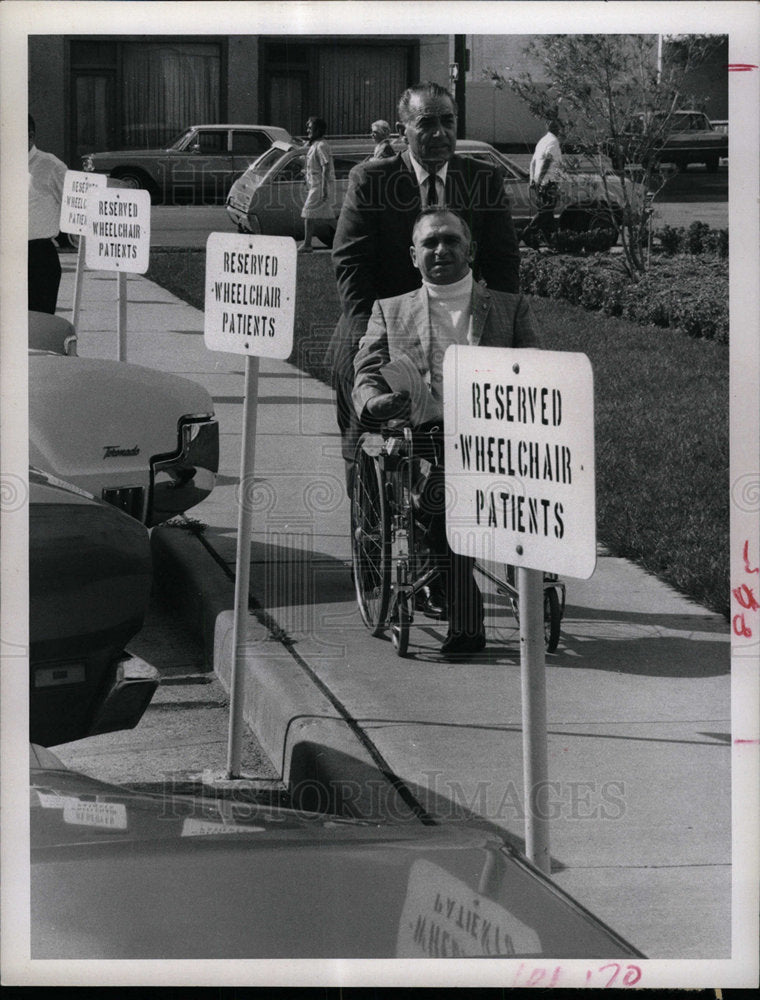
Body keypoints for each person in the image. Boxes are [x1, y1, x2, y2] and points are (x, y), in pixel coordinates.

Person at [352, 207, 540, 658]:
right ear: (413, 255)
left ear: (469, 249)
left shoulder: (510, 307)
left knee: (450, 494)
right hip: (425, 439)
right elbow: (366, 375)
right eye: (430, 243)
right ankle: (468, 620)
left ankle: (474, 598)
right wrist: (375, 403)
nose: (441, 250)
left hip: (497, 438)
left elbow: (538, 370)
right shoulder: (390, 310)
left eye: (451, 240)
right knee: (441, 498)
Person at [330, 81, 521, 492]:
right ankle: (368, 535)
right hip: (380, 327)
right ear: (404, 132)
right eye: (426, 123)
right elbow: (351, 264)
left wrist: (501, 331)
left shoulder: (483, 180)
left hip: (456, 326)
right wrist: (376, 337)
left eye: (448, 122)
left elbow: (504, 266)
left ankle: (447, 535)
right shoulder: (371, 180)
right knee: (365, 439)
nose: (440, 133)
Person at [28, 114, 67, 314]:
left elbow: (72, 205)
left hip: (38, 258)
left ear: (30, 136)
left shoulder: (51, 166)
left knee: (38, 327)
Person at [299, 116, 337, 253]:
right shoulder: (315, 145)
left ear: (318, 129)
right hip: (316, 185)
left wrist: (324, 188)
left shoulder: (321, 146)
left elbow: (325, 167)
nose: (307, 130)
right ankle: (346, 239)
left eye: (310, 127)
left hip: (320, 185)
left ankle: (307, 244)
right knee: (327, 216)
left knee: (309, 213)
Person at [526, 116, 565, 245]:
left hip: (541, 182)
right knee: (546, 212)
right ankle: (526, 233)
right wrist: (541, 179)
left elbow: (533, 162)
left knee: (547, 214)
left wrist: (533, 179)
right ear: (557, 129)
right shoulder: (553, 142)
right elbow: (548, 161)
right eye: (560, 127)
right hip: (549, 182)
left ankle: (551, 241)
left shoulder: (542, 141)